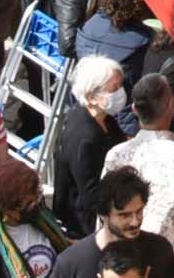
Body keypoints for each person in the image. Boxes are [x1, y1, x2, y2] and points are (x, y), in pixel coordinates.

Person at [99, 73, 174, 257]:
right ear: (172, 105)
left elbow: (102, 219)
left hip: (120, 261)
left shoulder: (115, 154)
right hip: (163, 261)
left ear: (134, 109)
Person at [44, 56, 122, 239]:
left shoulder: (104, 118)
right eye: (114, 89)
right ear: (91, 96)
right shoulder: (85, 138)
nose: (120, 93)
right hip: (83, 227)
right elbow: (90, 195)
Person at [0, 155, 65, 278]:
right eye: (29, 203)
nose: (36, 204)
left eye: (37, 195)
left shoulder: (40, 217)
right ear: (7, 209)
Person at [49, 166, 150, 278]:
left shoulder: (160, 251)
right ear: (103, 215)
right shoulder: (70, 263)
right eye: (125, 215)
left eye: (139, 211)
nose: (135, 222)